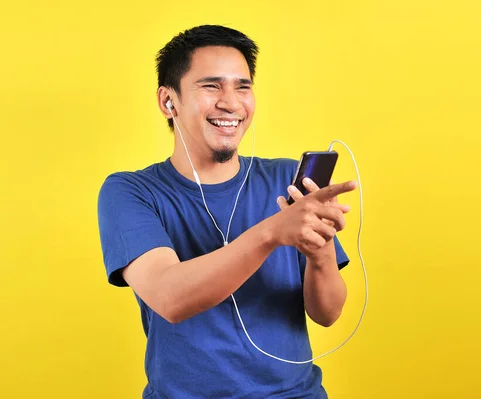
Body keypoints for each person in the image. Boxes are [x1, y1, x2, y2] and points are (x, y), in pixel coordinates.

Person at [97, 24, 357, 399]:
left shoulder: (287, 179)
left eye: (243, 86)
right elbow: (170, 298)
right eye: (211, 86)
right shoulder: (131, 192)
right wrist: (272, 233)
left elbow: (328, 313)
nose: (231, 103)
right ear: (168, 101)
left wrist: (320, 256)